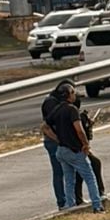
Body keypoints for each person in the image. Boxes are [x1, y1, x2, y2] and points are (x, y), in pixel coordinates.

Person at [49, 84, 105, 212]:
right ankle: (97, 205)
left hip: (61, 150)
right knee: (90, 177)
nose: (75, 95)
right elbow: (79, 130)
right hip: (74, 150)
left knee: (69, 180)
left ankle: (71, 206)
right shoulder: (72, 110)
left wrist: (58, 138)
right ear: (68, 95)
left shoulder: (57, 110)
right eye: (73, 93)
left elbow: (45, 126)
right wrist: (85, 144)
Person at [40, 80, 73, 210]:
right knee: (59, 171)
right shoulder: (51, 103)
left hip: (62, 140)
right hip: (53, 140)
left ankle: (72, 199)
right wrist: (60, 140)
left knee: (70, 170)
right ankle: (62, 201)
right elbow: (48, 126)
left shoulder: (61, 102)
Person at [72, 102, 106, 207]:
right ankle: (98, 194)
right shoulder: (74, 115)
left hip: (73, 148)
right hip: (77, 148)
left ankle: (77, 197)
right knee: (94, 164)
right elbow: (81, 133)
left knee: (80, 171)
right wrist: (85, 146)